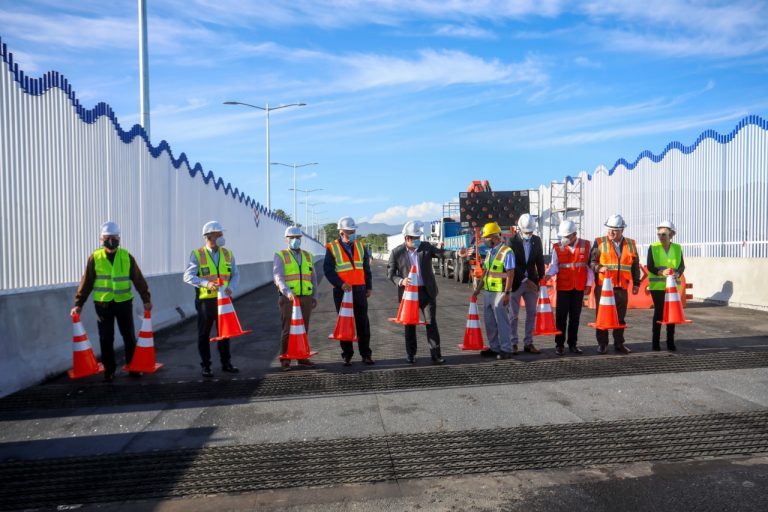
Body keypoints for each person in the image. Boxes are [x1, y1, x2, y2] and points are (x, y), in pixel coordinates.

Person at [71, 221, 152, 382]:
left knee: (128, 336)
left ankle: (133, 367)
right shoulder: (95, 258)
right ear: (101, 239)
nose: (111, 240)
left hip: (124, 303)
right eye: (108, 237)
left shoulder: (126, 256)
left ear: (119, 239)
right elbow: (86, 282)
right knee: (106, 338)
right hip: (103, 305)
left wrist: (146, 298)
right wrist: (79, 304)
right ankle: (109, 370)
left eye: (114, 237)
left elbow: (138, 279)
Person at [388, 221, 466, 364]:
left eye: (418, 237)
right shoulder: (396, 252)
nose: (418, 240)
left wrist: (456, 254)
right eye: (414, 238)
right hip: (409, 296)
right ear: (406, 238)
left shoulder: (425, 247)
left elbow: (441, 253)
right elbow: (391, 274)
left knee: (431, 323)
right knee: (410, 326)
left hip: (426, 292)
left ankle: (436, 355)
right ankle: (410, 354)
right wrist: (401, 281)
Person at [183, 221, 241, 377]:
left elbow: (235, 274)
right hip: (205, 301)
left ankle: (226, 363)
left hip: (224, 300)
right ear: (209, 236)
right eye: (219, 234)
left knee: (225, 333)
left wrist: (231, 288)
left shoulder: (228, 254)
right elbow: (188, 276)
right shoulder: (197, 254)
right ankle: (206, 366)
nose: (222, 237)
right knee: (204, 334)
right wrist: (206, 283)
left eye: (222, 234)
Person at [323, 216, 374, 366]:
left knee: (363, 323)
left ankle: (366, 354)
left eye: (353, 231)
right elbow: (328, 270)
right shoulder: (331, 247)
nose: (352, 233)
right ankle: (347, 355)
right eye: (349, 231)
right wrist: (340, 284)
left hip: (359, 290)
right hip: (342, 291)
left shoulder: (360, 246)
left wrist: (369, 286)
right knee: (345, 323)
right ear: (341, 232)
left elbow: (366, 269)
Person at [589, 214, 640, 354]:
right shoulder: (599, 242)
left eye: (615, 230)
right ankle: (602, 344)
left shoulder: (631, 244)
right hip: (603, 288)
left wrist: (636, 283)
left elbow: (635, 266)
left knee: (620, 317)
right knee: (602, 316)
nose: (611, 232)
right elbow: (592, 262)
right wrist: (600, 268)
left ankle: (619, 343)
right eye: (609, 229)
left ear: (622, 230)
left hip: (622, 287)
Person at [543, 220, 593, 355]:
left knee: (575, 317)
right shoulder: (557, 247)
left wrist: (589, 284)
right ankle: (559, 345)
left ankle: (573, 344)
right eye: (562, 236)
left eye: (567, 236)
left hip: (578, 288)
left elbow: (588, 267)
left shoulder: (586, 245)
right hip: (563, 287)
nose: (564, 239)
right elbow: (554, 266)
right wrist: (548, 276)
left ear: (574, 235)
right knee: (561, 317)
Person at [273, 226, 318, 370]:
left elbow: (313, 278)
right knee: (287, 329)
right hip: (289, 299)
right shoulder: (280, 255)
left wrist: (314, 296)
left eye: (297, 238)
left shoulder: (308, 256)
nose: (295, 240)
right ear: (286, 239)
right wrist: (287, 292)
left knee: (303, 329)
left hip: (305, 297)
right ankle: (285, 360)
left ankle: (302, 357)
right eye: (292, 238)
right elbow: (278, 277)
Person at [472, 222, 516, 360]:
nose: (485, 240)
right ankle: (494, 347)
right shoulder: (490, 252)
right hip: (488, 292)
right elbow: (485, 273)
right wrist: (477, 290)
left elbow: (510, 274)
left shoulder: (507, 252)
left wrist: (507, 293)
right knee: (490, 321)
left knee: (502, 322)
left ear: (494, 237)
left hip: (500, 292)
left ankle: (506, 349)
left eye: (487, 237)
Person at [507, 214, 545, 355]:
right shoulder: (512, 241)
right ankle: (513, 343)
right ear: (520, 228)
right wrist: (525, 280)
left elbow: (539, 260)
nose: (529, 234)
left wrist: (541, 278)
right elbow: (513, 264)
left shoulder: (537, 240)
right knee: (513, 315)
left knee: (532, 313)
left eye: (531, 231)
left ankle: (528, 343)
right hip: (517, 282)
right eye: (527, 231)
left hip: (532, 283)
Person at [647, 220, 686, 351]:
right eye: (659, 234)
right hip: (657, 286)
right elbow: (650, 266)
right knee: (659, 313)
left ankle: (670, 342)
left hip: (673, 287)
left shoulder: (677, 248)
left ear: (672, 234)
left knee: (672, 314)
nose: (661, 237)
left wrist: (678, 273)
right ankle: (655, 343)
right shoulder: (653, 247)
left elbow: (681, 266)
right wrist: (661, 272)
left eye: (664, 234)